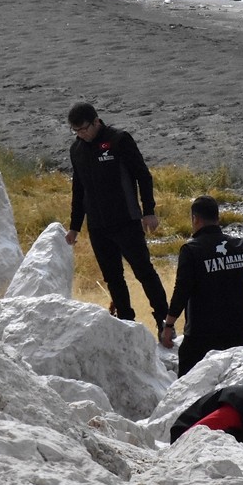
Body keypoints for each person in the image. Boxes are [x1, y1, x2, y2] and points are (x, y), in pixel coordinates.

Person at [66, 102, 170, 330]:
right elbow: (78, 189)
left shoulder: (119, 140)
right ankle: (126, 322)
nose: (81, 135)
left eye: (84, 129)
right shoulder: (77, 150)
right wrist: (75, 226)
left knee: (144, 271)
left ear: (96, 121)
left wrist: (149, 211)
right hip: (98, 225)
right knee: (113, 277)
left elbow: (143, 175)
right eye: (76, 131)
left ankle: (164, 320)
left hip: (126, 220)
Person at [159, 195, 243, 377]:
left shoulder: (191, 250)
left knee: (188, 383)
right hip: (237, 330)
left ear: (195, 219)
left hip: (202, 334)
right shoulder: (238, 245)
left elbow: (181, 291)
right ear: (217, 218)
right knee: (241, 379)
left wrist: (168, 325)